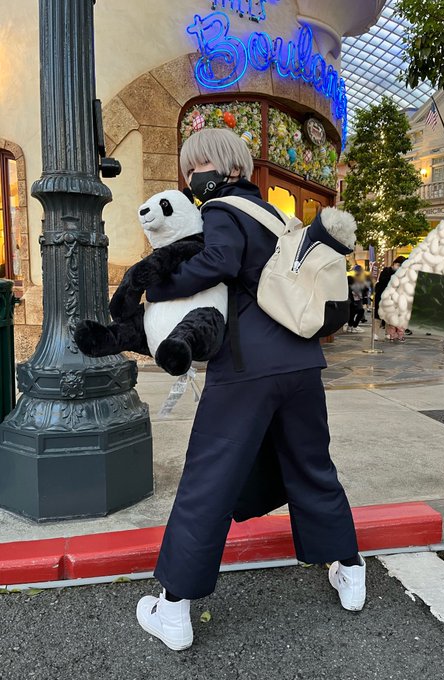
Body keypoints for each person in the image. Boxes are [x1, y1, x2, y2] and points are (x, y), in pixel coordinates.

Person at [135, 128, 364, 652]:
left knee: (208, 480)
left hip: (247, 368)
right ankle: (350, 571)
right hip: (302, 364)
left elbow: (218, 262)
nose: (191, 177)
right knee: (312, 466)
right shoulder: (276, 215)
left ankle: (174, 608)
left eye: (197, 166)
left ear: (225, 166)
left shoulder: (221, 210)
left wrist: (157, 286)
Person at [374, 256, 406, 340]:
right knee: (378, 316)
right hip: (381, 296)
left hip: (392, 298)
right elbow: (383, 281)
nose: (399, 267)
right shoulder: (386, 271)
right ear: (394, 263)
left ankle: (388, 333)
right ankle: (375, 333)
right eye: (398, 265)